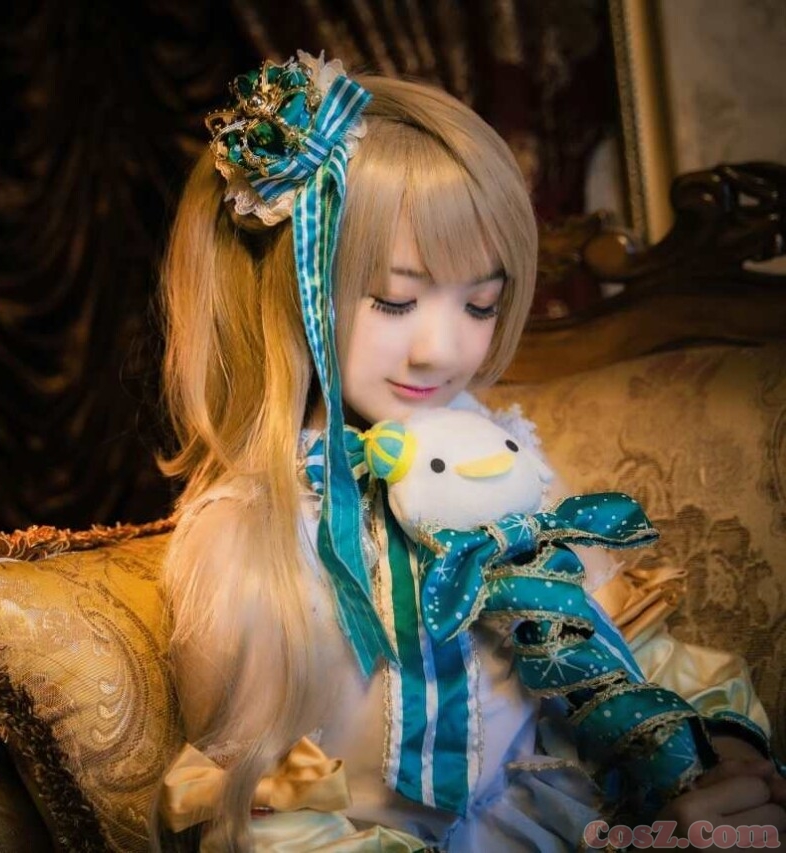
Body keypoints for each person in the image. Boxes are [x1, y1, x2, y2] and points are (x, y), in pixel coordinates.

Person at [155, 52, 785, 851]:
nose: (443, 350)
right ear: (285, 291)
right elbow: (262, 805)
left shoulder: (497, 466)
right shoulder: (255, 543)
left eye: (481, 303)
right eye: (396, 299)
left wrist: (714, 750)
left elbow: (618, 653)